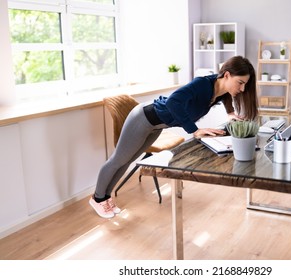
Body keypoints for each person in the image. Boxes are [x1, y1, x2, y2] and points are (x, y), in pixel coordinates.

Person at [89, 55, 259, 218]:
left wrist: (230, 113)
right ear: (227, 75)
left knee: (127, 160)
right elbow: (173, 102)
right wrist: (194, 129)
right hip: (143, 117)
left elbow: (224, 97)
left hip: (156, 126)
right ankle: (97, 198)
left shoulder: (219, 91)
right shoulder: (202, 84)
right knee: (118, 159)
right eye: (240, 83)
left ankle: (106, 197)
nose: (242, 89)